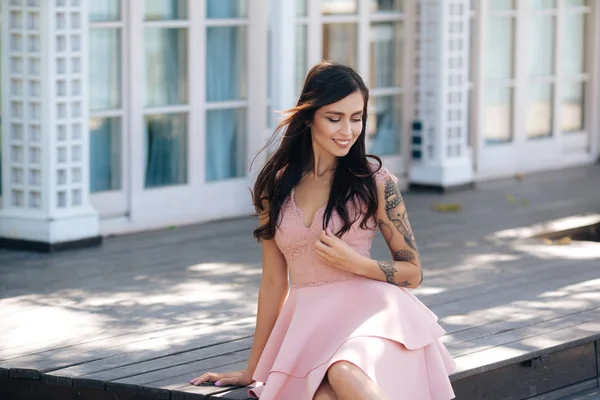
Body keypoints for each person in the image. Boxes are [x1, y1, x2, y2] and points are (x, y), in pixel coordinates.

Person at [190, 61, 456, 400]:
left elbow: (413, 273)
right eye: (335, 118)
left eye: (356, 118)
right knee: (322, 397)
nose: (348, 130)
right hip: (309, 324)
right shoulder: (275, 186)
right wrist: (252, 369)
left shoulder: (374, 182)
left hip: (373, 318)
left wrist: (356, 264)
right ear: (309, 117)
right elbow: (273, 282)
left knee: (343, 370)